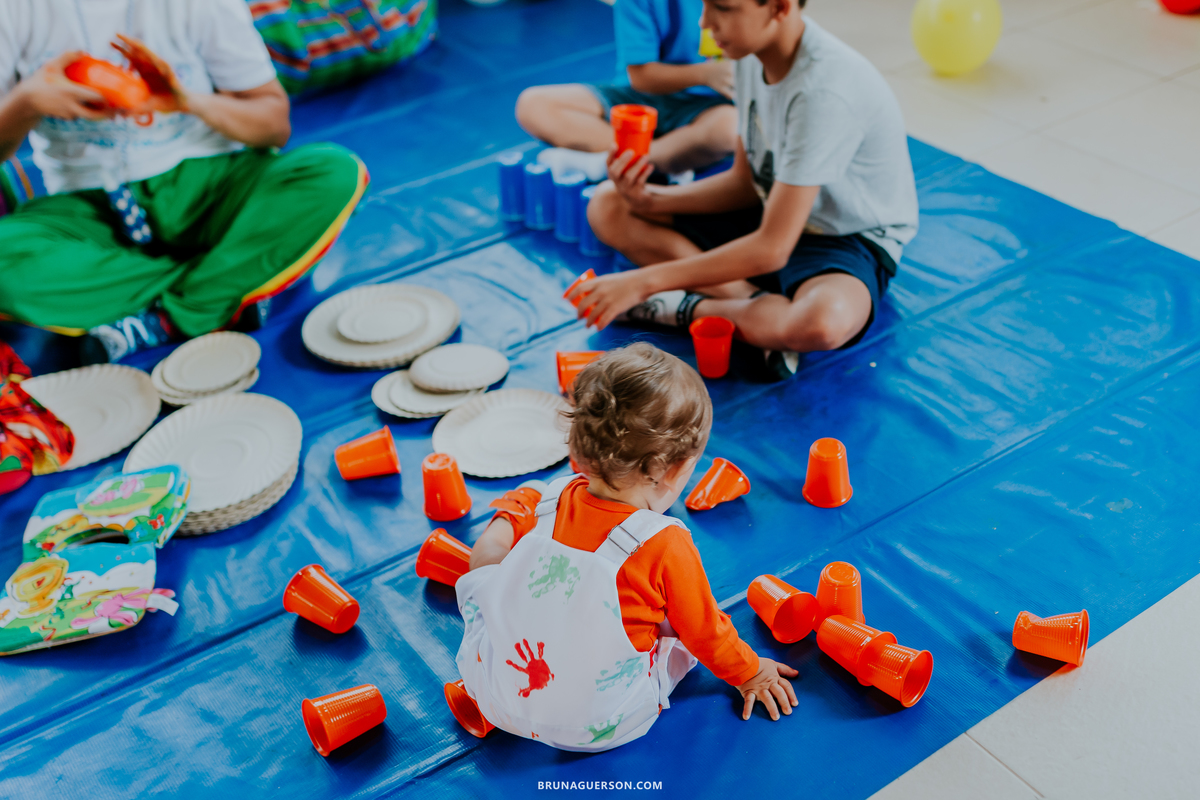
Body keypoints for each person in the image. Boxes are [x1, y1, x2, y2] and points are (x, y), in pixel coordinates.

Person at [447, 344, 797, 752]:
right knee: (677, 631)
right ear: (676, 470)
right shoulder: (665, 542)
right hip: (600, 725)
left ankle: (510, 514)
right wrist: (751, 673)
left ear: (577, 449)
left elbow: (491, 563)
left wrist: (511, 520)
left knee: (488, 562)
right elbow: (706, 633)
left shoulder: (551, 500)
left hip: (495, 694)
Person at [0, 0, 369, 363]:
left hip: (210, 187)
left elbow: (274, 126)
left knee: (335, 172)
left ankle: (171, 315)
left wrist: (187, 101)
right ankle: (226, 284)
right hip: (89, 210)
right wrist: (26, 101)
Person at [567, 0, 919, 381]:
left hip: (844, 236)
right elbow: (745, 183)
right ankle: (751, 304)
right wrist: (650, 200)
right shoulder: (749, 57)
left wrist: (642, 284)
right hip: (773, 209)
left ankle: (674, 308)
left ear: (779, 7)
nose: (704, 22)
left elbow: (772, 249)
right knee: (608, 204)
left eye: (723, 7)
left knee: (823, 321)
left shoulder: (823, 91)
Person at [515, 0, 738, 182]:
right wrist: (705, 75)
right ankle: (664, 160)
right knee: (533, 105)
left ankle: (610, 163)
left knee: (729, 128)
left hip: (708, 107)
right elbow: (641, 78)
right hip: (641, 99)